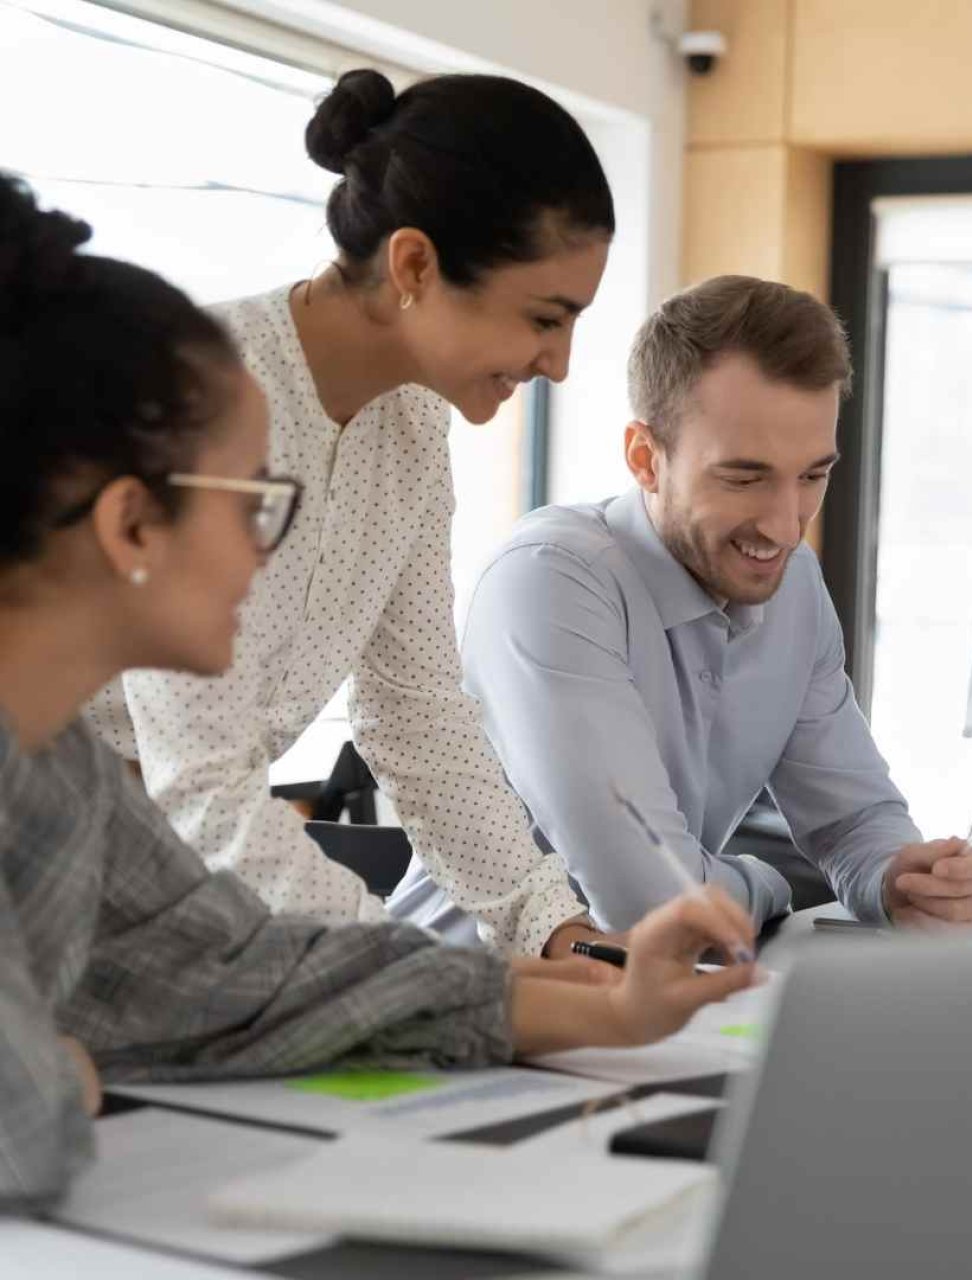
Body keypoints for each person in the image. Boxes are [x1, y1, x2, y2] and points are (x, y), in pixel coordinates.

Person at [0, 175, 757, 1211]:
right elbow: (23, 1125)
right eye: (260, 504)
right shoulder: (227, 369)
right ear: (131, 525)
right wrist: (54, 1069)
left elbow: (251, 969)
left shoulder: (62, 768)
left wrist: (596, 997)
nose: (268, 552)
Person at [86, 69, 620, 956]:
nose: (558, 363)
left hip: (158, 881)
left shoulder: (413, 427)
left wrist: (553, 928)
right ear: (414, 264)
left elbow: (414, 715)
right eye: (544, 318)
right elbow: (201, 787)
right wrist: (422, 967)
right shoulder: (199, 387)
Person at [447, 275, 972, 933]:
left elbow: (852, 818)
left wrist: (901, 878)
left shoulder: (794, 585)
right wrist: (768, 884)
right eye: (744, 477)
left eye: (812, 476)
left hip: (662, 1005)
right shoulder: (549, 582)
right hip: (471, 1005)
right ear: (645, 458)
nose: (787, 527)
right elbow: (654, 899)